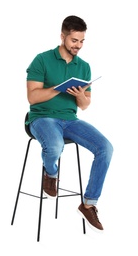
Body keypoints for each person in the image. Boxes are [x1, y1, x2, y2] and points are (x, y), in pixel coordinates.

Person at [25, 15, 113, 232]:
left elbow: (84, 105)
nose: (78, 46)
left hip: (70, 120)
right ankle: (51, 173)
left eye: (82, 41)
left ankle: (88, 204)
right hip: (41, 117)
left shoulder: (83, 67)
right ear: (63, 36)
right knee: (55, 146)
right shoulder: (42, 59)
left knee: (105, 148)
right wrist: (58, 88)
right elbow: (32, 98)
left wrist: (80, 94)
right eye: (74, 40)